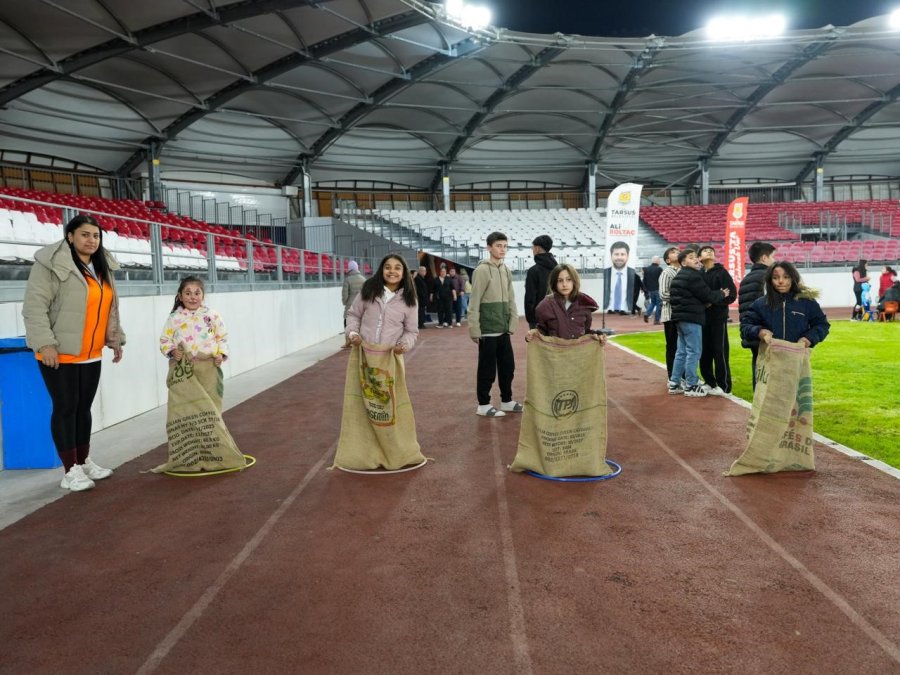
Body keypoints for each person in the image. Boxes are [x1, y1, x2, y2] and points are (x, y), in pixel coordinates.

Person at [22, 214, 125, 492]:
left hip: (90, 352)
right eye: (85, 234)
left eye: (96, 236)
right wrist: (45, 344)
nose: (91, 240)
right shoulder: (50, 264)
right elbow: (34, 307)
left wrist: (115, 339)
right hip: (59, 352)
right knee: (66, 407)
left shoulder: (102, 266)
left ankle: (83, 460)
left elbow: (110, 308)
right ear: (70, 236)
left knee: (83, 408)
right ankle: (70, 470)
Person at [468, 231, 520, 417]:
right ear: (489, 247)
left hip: (503, 329)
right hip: (488, 329)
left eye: (505, 246)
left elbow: (511, 298)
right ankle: (483, 404)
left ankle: (507, 401)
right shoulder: (481, 271)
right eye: (499, 246)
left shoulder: (506, 270)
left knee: (508, 367)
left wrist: (513, 322)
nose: (502, 249)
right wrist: (474, 329)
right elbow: (474, 301)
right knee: (487, 370)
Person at [668, 248, 730, 397]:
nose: (696, 259)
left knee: (681, 351)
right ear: (683, 263)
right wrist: (721, 293)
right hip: (691, 318)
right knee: (694, 351)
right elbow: (707, 295)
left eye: (696, 257)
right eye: (691, 257)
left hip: (679, 319)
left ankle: (674, 383)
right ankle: (691, 385)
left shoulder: (678, 276)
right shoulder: (693, 276)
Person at [740, 262, 830, 353]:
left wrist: (808, 338)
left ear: (793, 278)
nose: (780, 281)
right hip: (768, 358)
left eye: (786, 277)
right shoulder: (760, 304)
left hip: (797, 357)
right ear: (770, 280)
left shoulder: (807, 302)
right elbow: (745, 326)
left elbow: (822, 325)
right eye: (775, 278)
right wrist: (759, 332)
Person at [346, 254, 418, 352]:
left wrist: (403, 345)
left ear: (404, 273)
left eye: (397, 268)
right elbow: (354, 315)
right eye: (387, 267)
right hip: (363, 353)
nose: (392, 271)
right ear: (381, 271)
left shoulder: (409, 300)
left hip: (391, 355)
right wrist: (353, 333)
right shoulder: (368, 291)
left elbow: (411, 331)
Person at [526, 263, 606, 343]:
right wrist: (533, 334)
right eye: (560, 280)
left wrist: (597, 335)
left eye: (569, 279)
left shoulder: (584, 303)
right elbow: (542, 331)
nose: (564, 284)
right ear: (554, 283)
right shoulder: (545, 305)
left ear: (574, 280)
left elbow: (586, 331)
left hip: (578, 350)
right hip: (555, 350)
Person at [698, 245, 737, 395]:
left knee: (719, 351)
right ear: (699, 257)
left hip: (718, 317)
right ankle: (709, 381)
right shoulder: (698, 274)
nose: (709, 252)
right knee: (704, 352)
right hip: (702, 318)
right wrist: (715, 296)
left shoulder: (722, 272)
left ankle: (724, 385)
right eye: (705, 251)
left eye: (711, 251)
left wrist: (712, 302)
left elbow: (731, 294)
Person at [738, 241, 776, 390]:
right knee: (772, 371)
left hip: (751, 331)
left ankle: (759, 399)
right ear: (764, 258)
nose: (774, 260)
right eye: (773, 257)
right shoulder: (768, 278)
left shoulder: (746, 279)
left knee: (758, 367)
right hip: (766, 332)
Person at [524, 234, 557, 329]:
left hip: (538, 318)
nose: (532, 249)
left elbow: (530, 297)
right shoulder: (558, 269)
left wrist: (531, 319)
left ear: (537, 248)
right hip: (556, 315)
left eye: (533, 247)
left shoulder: (533, 271)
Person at [658, 246, 681, 380]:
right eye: (673, 252)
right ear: (668, 260)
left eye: (678, 251)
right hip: (670, 314)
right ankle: (672, 376)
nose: (677, 253)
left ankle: (682, 375)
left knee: (682, 347)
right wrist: (682, 298)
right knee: (672, 346)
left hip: (682, 313)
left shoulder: (683, 271)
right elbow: (663, 294)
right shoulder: (667, 273)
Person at [603, 240, 637, 315]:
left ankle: (622, 308)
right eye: (616, 254)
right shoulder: (605, 273)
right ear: (611, 255)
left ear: (627, 256)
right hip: (609, 314)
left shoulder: (632, 273)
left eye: (622, 254)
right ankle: (612, 308)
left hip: (626, 314)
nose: (619, 257)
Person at [341, 261, 366, 348]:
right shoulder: (363, 279)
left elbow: (345, 294)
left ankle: (348, 341)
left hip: (350, 305)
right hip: (362, 305)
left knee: (347, 321)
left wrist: (345, 302)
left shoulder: (347, 280)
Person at [432, 263, 455, 328]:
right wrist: (431, 296)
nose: (443, 272)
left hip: (448, 297)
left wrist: (455, 296)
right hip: (439, 298)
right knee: (440, 311)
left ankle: (449, 323)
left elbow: (452, 288)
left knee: (449, 310)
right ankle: (440, 323)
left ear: (446, 272)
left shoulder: (449, 279)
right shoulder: (436, 279)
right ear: (440, 272)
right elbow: (433, 289)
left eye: (444, 271)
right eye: (442, 271)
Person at [642, 256, 663, 324]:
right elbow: (662, 279)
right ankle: (656, 320)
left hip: (650, 290)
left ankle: (647, 313)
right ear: (657, 261)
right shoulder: (659, 269)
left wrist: (645, 289)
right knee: (659, 305)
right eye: (659, 260)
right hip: (658, 289)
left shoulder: (647, 269)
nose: (660, 261)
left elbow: (644, 280)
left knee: (653, 303)